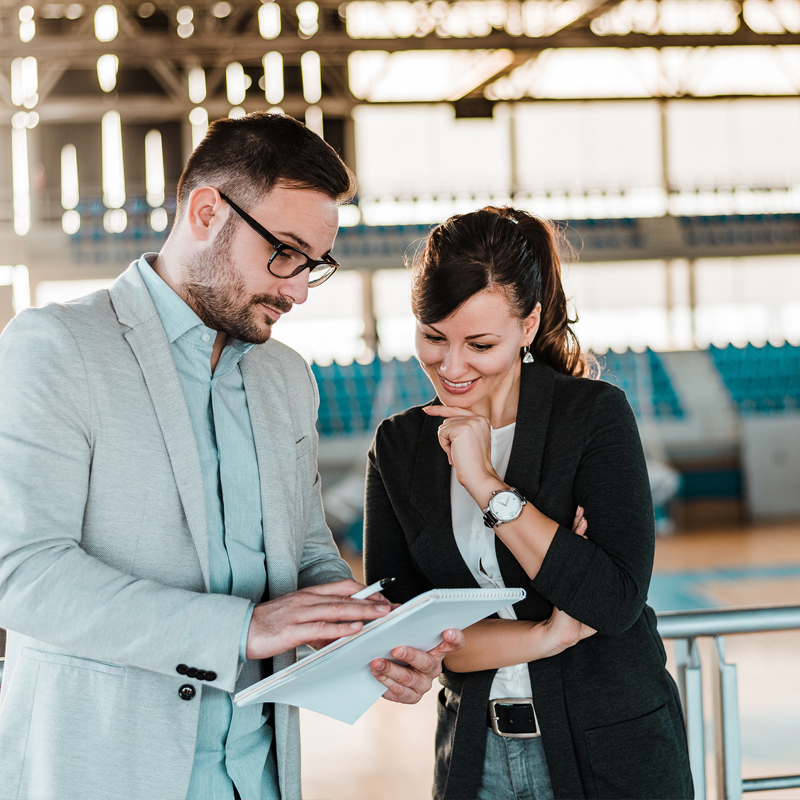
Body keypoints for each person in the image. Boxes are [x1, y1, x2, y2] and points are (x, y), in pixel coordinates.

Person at [0, 112, 463, 800]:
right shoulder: (56, 348)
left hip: (259, 777)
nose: (299, 289)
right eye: (285, 252)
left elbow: (306, 551)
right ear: (206, 210)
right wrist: (242, 629)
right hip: (105, 771)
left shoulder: (286, 378)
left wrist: (359, 635)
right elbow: (24, 573)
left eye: (315, 265)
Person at [363, 207, 693, 800]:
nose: (452, 366)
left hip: (612, 752)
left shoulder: (592, 416)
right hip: (475, 755)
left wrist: (487, 484)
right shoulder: (399, 445)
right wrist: (549, 633)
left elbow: (613, 601)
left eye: (480, 343)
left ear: (528, 324)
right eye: (433, 337)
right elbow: (406, 627)